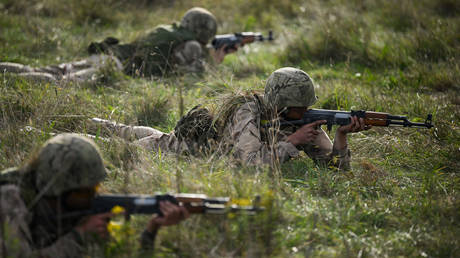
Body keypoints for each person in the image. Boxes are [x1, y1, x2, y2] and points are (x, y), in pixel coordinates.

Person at [89, 67, 369, 169]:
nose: (306, 112)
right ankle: (87, 129)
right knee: (121, 143)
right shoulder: (248, 109)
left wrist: (341, 137)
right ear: (281, 105)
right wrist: (292, 142)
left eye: (307, 106)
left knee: (141, 132)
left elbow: (335, 168)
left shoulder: (301, 120)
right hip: (181, 150)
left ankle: (99, 126)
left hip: (174, 141)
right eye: (299, 107)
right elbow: (249, 163)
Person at [0, 134, 189, 257]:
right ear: (57, 189)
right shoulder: (9, 200)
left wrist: (152, 229)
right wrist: (78, 238)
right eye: (85, 192)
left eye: (95, 188)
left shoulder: (75, 209)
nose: (93, 197)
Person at [0, 7, 236, 83]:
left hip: (107, 56)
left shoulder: (167, 29)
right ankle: (14, 79)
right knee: (60, 82)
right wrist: (214, 62)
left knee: (51, 70)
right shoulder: (193, 46)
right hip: (115, 67)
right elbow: (190, 79)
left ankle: (8, 71)